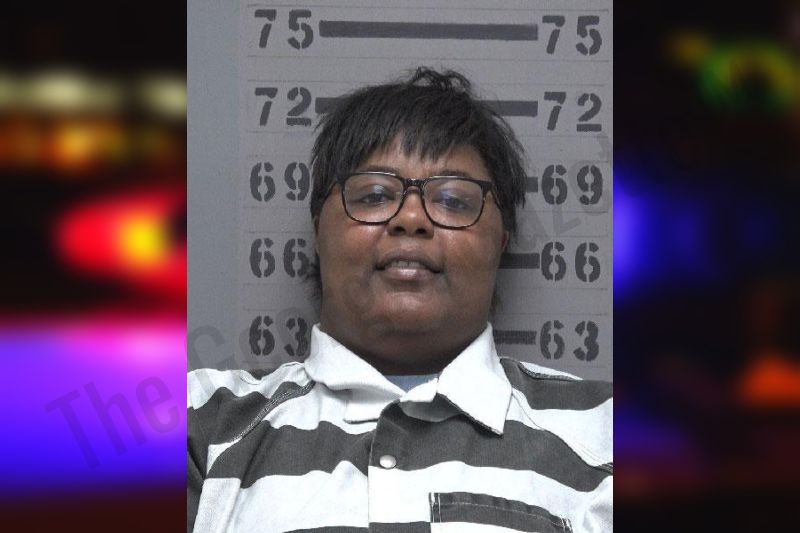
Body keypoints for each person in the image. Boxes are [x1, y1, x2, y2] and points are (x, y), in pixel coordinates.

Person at [188, 67, 612, 532]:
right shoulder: (200, 422)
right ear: (318, 230)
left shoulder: (606, 432)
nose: (411, 219)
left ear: (501, 241)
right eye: (373, 195)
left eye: (454, 200)